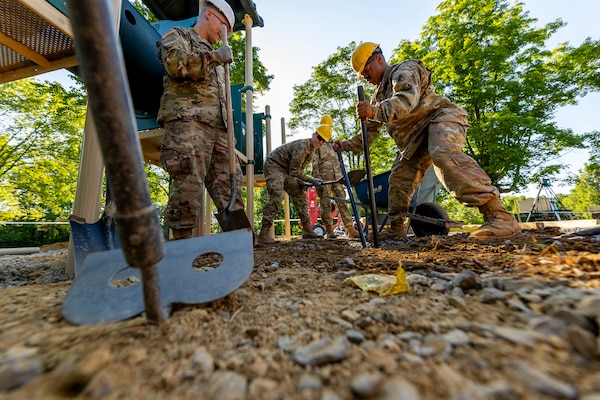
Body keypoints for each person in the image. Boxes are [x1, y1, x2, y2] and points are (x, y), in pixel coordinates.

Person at [334, 42, 521, 240]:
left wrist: (374, 111)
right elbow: (368, 135)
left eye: (366, 68)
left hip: (439, 119)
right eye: (361, 73)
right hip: (415, 140)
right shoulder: (377, 97)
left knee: (442, 154)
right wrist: (344, 145)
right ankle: (396, 228)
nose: (364, 75)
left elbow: (406, 99)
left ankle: (499, 216)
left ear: (378, 59)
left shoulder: (403, 71)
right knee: (398, 179)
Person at [156, 0, 243, 240]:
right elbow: (176, 64)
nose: (224, 34)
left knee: (231, 185)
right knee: (188, 180)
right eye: (224, 26)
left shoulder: (219, 60)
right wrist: (215, 57)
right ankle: (182, 244)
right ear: (210, 15)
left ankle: (241, 241)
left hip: (220, 130)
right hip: (189, 122)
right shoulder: (179, 36)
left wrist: (230, 133)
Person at [257, 122, 332, 244]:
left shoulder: (311, 151)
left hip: (287, 171)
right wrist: (310, 180)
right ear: (314, 134)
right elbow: (295, 170)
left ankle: (307, 229)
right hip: (274, 165)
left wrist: (302, 182)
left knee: (299, 193)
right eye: (319, 138)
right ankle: (263, 234)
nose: (320, 142)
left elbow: (295, 172)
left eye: (323, 141)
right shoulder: (302, 147)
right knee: (276, 195)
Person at [311, 116, 361, 239]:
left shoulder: (334, 144)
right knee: (325, 204)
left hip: (338, 178)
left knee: (343, 202)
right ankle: (329, 231)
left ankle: (350, 229)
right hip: (324, 179)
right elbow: (314, 162)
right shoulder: (317, 142)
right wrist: (317, 178)